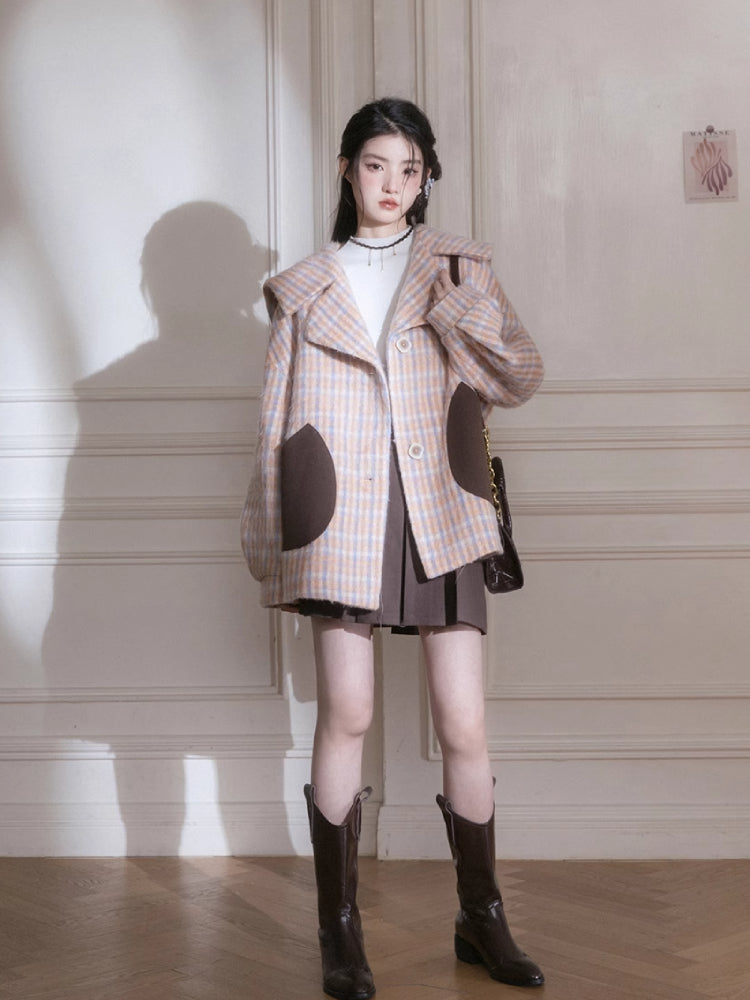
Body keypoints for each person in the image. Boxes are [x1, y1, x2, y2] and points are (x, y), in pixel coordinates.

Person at [242, 97, 545, 998]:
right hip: (340, 511)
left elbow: (520, 377)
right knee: (347, 712)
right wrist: (271, 542)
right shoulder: (304, 287)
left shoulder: (458, 266)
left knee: (463, 719)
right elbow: (272, 423)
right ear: (348, 170)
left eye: (410, 170)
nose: (393, 185)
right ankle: (339, 932)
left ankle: (482, 916)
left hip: (439, 500)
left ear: (425, 177)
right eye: (376, 165)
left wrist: (460, 313)